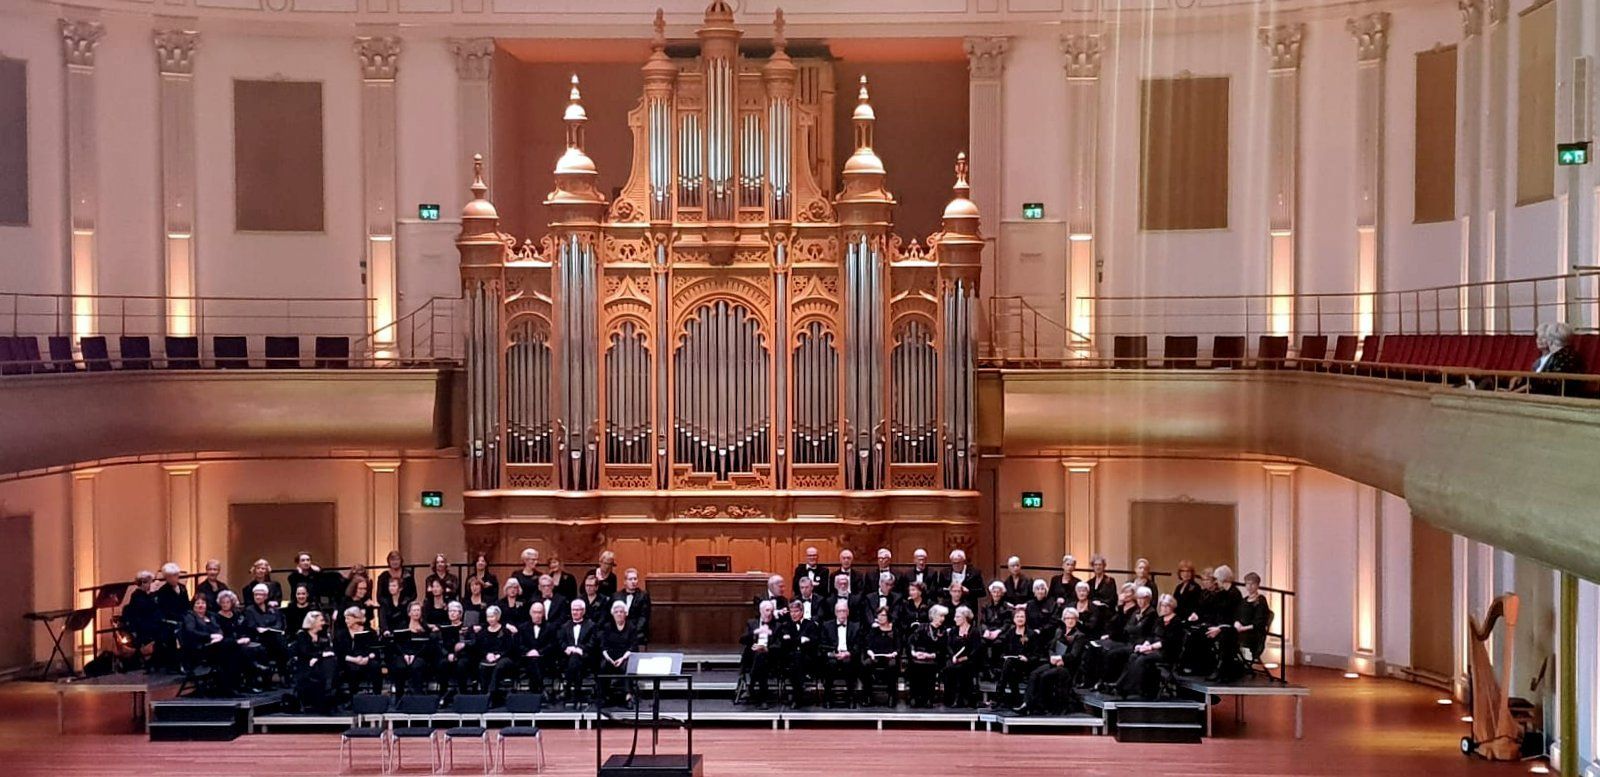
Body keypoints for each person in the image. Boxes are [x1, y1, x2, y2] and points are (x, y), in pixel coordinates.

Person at [1018, 607, 1087, 715]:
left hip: (1068, 666)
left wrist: (1060, 659)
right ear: (1063, 619)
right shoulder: (1059, 631)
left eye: (1072, 618)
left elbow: (1074, 655)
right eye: (1067, 618)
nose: (1070, 620)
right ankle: (1026, 704)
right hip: (1055, 662)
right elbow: (1051, 648)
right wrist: (1052, 657)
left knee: (1045, 675)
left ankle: (1042, 706)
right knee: (1034, 673)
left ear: (1076, 620)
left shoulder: (1079, 636)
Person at [1205, 572, 1272, 682]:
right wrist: (1236, 623)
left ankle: (1222, 669)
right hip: (1239, 630)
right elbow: (1237, 615)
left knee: (1226, 635)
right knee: (1224, 634)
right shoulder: (1244, 600)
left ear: (1257, 585)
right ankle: (1222, 668)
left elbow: (1259, 622)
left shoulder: (1260, 601)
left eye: (1252, 584)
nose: (1249, 587)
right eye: (1247, 584)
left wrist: (1243, 628)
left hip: (1252, 633)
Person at [1115, 593, 1185, 699]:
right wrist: (1144, 645)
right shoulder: (1160, 620)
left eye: (1167, 606)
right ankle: (1122, 686)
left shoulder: (1176, 622)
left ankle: (1131, 689)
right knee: (1134, 655)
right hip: (1154, 649)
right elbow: (1151, 636)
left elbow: (1168, 642)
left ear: (1172, 607)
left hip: (1167, 652)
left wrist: (1150, 648)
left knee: (1142, 659)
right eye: (1162, 605)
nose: (1164, 608)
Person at [180, 596, 241, 697]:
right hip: (199, 649)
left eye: (203, 603)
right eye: (198, 603)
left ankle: (234, 685)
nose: (201, 605)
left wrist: (219, 636)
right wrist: (210, 637)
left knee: (234, 650)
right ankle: (228, 687)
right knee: (229, 648)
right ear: (193, 605)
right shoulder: (190, 616)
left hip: (214, 646)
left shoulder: (211, 615)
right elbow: (191, 632)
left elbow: (218, 628)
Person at [212, 590, 265, 692]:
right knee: (242, 652)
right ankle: (252, 671)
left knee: (258, 647)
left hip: (239, 642)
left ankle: (256, 677)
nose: (225, 604)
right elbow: (220, 635)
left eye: (227, 602)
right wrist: (237, 641)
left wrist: (246, 637)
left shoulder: (236, 615)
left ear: (232, 603)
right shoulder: (216, 617)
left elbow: (244, 629)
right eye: (223, 602)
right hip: (225, 645)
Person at [774, 599, 820, 708]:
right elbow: (784, 642)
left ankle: (797, 696)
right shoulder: (786, 625)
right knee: (794, 660)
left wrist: (794, 641)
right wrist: (800, 641)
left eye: (796, 611)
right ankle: (799, 695)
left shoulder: (811, 625)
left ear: (802, 611)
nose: (793, 614)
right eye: (791, 611)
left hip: (808, 659)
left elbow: (814, 642)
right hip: (790, 659)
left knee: (798, 658)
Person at [291, 611, 338, 715]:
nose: (323, 623)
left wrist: (317, 657)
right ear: (313, 622)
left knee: (330, 662)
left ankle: (328, 694)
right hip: (305, 665)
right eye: (321, 620)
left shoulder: (323, 634)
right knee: (327, 664)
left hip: (321, 664)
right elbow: (305, 652)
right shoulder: (302, 635)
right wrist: (320, 655)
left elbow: (329, 650)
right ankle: (327, 695)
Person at [994, 607, 1040, 708]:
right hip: (1012, 664)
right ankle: (1016, 700)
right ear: (1014, 619)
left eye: (1022, 617)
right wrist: (1004, 657)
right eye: (1017, 616)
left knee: (1009, 666)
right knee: (1010, 667)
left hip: (1026, 665)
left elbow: (1037, 655)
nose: (1020, 619)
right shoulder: (1010, 633)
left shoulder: (1031, 634)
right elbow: (1004, 651)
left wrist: (1027, 658)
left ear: (1026, 618)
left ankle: (998, 696)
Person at [819, 599, 861, 708]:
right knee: (830, 664)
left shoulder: (855, 626)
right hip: (833, 656)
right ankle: (828, 698)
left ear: (848, 612)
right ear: (835, 612)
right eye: (839, 611)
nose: (842, 613)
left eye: (844, 611)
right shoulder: (827, 625)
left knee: (849, 663)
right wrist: (833, 653)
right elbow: (823, 645)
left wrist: (848, 653)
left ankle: (851, 698)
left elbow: (858, 646)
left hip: (849, 656)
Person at [121, 571, 168, 668]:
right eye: (150, 582)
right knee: (164, 630)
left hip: (151, 622)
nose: (151, 584)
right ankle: (146, 654)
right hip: (143, 624)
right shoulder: (137, 595)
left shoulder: (147, 594)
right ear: (142, 583)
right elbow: (147, 607)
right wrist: (153, 593)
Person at [739, 600, 781, 709]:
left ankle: (751, 687)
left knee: (761, 656)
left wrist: (766, 648)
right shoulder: (752, 623)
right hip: (752, 657)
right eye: (767, 610)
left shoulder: (777, 625)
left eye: (771, 611)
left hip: (770, 657)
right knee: (759, 657)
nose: (769, 613)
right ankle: (763, 699)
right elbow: (742, 640)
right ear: (761, 611)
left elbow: (778, 645)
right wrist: (754, 632)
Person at [390, 602, 437, 695]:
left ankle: (417, 695)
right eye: (414, 610)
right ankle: (399, 696)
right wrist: (405, 655)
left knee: (417, 666)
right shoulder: (402, 626)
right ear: (409, 613)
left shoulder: (425, 628)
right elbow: (397, 644)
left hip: (420, 655)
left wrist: (414, 655)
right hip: (404, 655)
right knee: (399, 666)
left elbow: (427, 646)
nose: (416, 612)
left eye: (418, 610)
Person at [597, 601, 638, 706]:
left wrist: (622, 658)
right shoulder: (607, 627)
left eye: (621, 612)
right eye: (616, 612)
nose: (619, 614)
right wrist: (608, 658)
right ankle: (604, 696)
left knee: (627, 667)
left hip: (625, 657)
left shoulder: (631, 627)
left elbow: (633, 646)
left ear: (626, 613)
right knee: (603, 666)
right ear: (613, 614)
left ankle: (628, 696)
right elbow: (603, 646)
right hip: (610, 657)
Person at [557, 600, 598, 707]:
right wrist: (566, 648)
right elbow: (560, 641)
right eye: (573, 610)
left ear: (583, 611)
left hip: (586, 657)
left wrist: (581, 649)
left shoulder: (591, 625)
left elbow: (593, 642)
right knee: (574, 660)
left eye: (578, 610)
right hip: (568, 658)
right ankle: (577, 692)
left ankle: (568, 688)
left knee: (576, 660)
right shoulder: (565, 626)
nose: (575, 612)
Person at [242, 583, 288, 676]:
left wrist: (269, 628)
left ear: (266, 596)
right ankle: (281, 674)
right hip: (258, 637)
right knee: (278, 643)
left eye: (260, 594)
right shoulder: (249, 610)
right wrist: (263, 628)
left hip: (272, 636)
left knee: (280, 641)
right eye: (256, 594)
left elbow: (279, 623)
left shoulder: (272, 609)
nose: (257, 597)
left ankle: (283, 673)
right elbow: (252, 625)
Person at [905, 604, 946, 708]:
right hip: (918, 656)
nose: (942, 619)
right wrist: (914, 653)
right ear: (934, 616)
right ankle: (915, 696)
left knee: (930, 668)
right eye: (940, 616)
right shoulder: (922, 627)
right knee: (915, 667)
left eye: (943, 616)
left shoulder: (943, 631)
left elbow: (943, 649)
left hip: (934, 658)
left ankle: (928, 698)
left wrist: (931, 655)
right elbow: (911, 642)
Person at [336, 606, 382, 695]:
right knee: (352, 668)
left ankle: (377, 695)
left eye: (348, 618)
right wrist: (354, 659)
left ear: (356, 619)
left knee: (375, 666)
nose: (346, 621)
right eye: (345, 618)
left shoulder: (370, 632)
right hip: (349, 660)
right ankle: (354, 697)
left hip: (366, 659)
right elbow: (339, 653)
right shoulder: (341, 634)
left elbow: (375, 651)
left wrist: (367, 658)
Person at [941, 605, 982, 708]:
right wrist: (953, 656)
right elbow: (948, 645)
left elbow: (976, 649)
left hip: (969, 659)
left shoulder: (974, 631)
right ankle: (949, 698)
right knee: (948, 668)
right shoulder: (954, 630)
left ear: (965, 617)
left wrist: (965, 658)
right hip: (955, 658)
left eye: (958, 617)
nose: (955, 619)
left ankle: (960, 699)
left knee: (960, 669)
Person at [860, 608, 901, 707]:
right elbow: (868, 646)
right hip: (875, 657)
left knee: (892, 665)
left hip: (890, 657)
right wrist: (870, 653)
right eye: (879, 615)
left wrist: (894, 653)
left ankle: (891, 696)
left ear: (888, 617)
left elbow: (898, 647)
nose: (880, 617)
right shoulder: (873, 630)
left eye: (883, 615)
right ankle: (867, 695)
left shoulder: (894, 630)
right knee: (865, 665)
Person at [474, 605, 518, 699]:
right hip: (488, 657)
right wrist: (487, 654)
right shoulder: (483, 632)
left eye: (492, 616)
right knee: (482, 666)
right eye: (488, 617)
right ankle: (483, 693)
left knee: (499, 665)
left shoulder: (505, 631)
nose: (490, 619)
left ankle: (492, 692)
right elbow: (479, 648)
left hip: (504, 657)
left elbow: (510, 648)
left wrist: (499, 655)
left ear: (498, 617)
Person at [517, 602, 556, 694]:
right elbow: (519, 644)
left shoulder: (550, 627)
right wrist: (529, 652)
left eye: (539, 612)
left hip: (545, 658)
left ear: (543, 614)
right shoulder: (523, 627)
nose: (537, 615)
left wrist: (539, 652)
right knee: (533, 661)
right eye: (535, 612)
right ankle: (540, 689)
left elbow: (552, 644)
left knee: (536, 661)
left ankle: (534, 690)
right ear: (530, 613)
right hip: (526, 659)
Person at [437, 601, 474, 696]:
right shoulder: (444, 627)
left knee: (461, 664)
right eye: (450, 611)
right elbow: (440, 644)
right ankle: (443, 693)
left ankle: (463, 693)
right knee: (442, 664)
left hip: (463, 656)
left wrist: (464, 645)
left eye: (454, 611)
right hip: (448, 655)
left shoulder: (467, 627)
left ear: (460, 614)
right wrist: (448, 654)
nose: (452, 613)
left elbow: (473, 642)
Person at [618, 568, 652, 645]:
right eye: (630, 579)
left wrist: (633, 631)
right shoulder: (617, 596)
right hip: (620, 631)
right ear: (625, 581)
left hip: (637, 632)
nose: (633, 581)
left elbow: (644, 617)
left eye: (635, 579)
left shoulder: (643, 596)